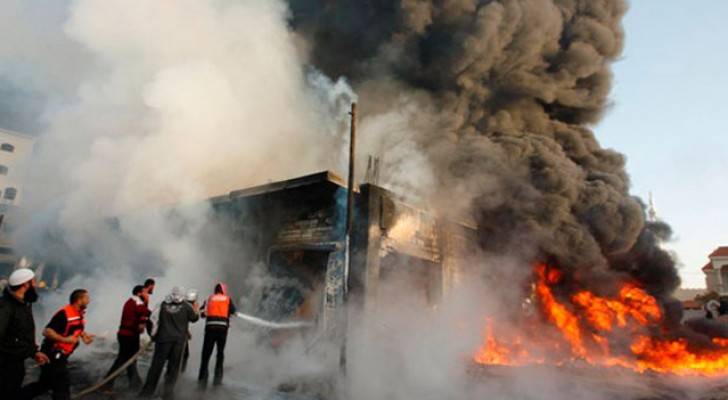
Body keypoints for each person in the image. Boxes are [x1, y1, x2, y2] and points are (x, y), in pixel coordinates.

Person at [21, 289, 94, 400]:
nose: (89, 301)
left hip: (60, 356)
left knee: (45, 384)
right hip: (52, 355)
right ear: (79, 300)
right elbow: (47, 331)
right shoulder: (64, 314)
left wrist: (84, 336)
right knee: (62, 386)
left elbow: (73, 328)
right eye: (87, 298)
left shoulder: (77, 314)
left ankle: (16, 396)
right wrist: (66, 340)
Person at [139, 287, 199, 399]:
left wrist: (153, 336)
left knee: (156, 367)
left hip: (163, 341)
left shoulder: (162, 305)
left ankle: (146, 393)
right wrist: (195, 309)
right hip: (178, 343)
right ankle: (167, 394)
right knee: (173, 369)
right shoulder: (186, 307)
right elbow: (194, 318)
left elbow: (152, 320)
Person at [0, 269, 49, 398]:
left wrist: (33, 352)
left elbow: (21, 335)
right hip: (5, 365)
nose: (36, 285)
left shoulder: (23, 305)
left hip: (15, 363)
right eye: (33, 282)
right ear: (26, 285)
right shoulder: (6, 307)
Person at [103, 285, 151, 391]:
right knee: (123, 359)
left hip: (127, 334)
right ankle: (107, 382)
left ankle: (135, 383)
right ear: (139, 293)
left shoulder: (132, 301)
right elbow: (144, 312)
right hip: (128, 335)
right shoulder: (137, 302)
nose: (147, 294)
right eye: (145, 292)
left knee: (130, 359)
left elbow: (143, 312)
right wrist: (147, 301)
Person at [198, 283, 236, 389]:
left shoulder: (209, 299)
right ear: (223, 290)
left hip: (210, 329)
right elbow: (233, 312)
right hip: (222, 330)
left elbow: (202, 313)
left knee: (206, 355)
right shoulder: (227, 299)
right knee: (220, 354)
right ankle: (217, 381)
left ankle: (202, 380)